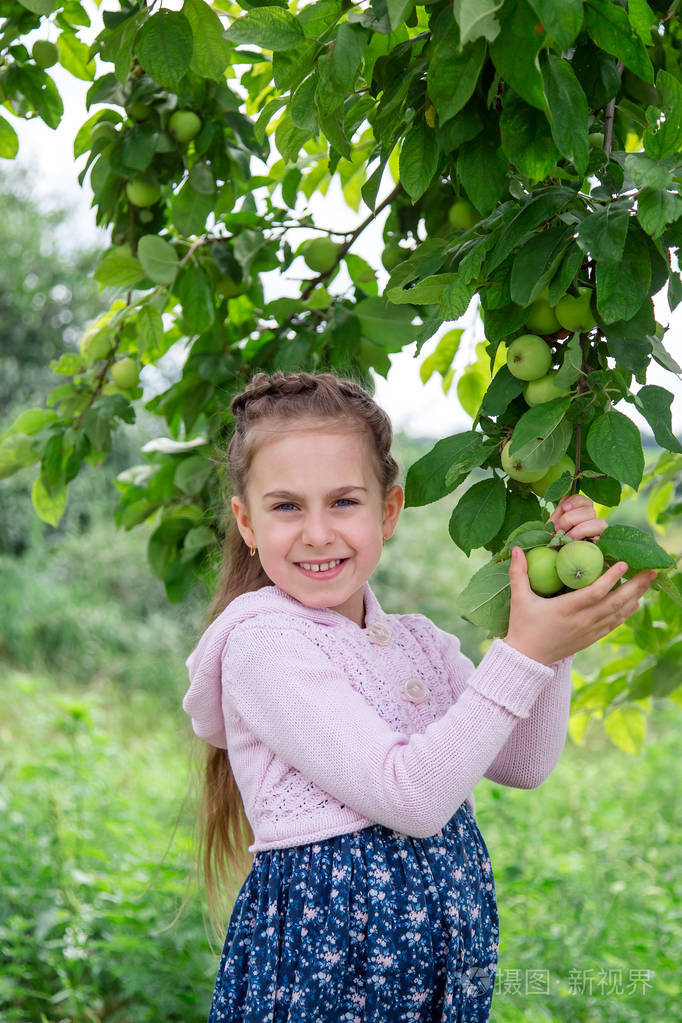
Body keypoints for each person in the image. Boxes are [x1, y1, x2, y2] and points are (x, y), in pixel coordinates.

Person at [182, 370, 656, 1022]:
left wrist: (552, 622)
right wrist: (525, 652)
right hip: (326, 988)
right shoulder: (263, 646)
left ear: (389, 510)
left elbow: (524, 762)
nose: (318, 532)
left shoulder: (418, 643)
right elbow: (411, 795)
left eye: (344, 501)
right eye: (287, 506)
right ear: (247, 521)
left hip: (434, 988)